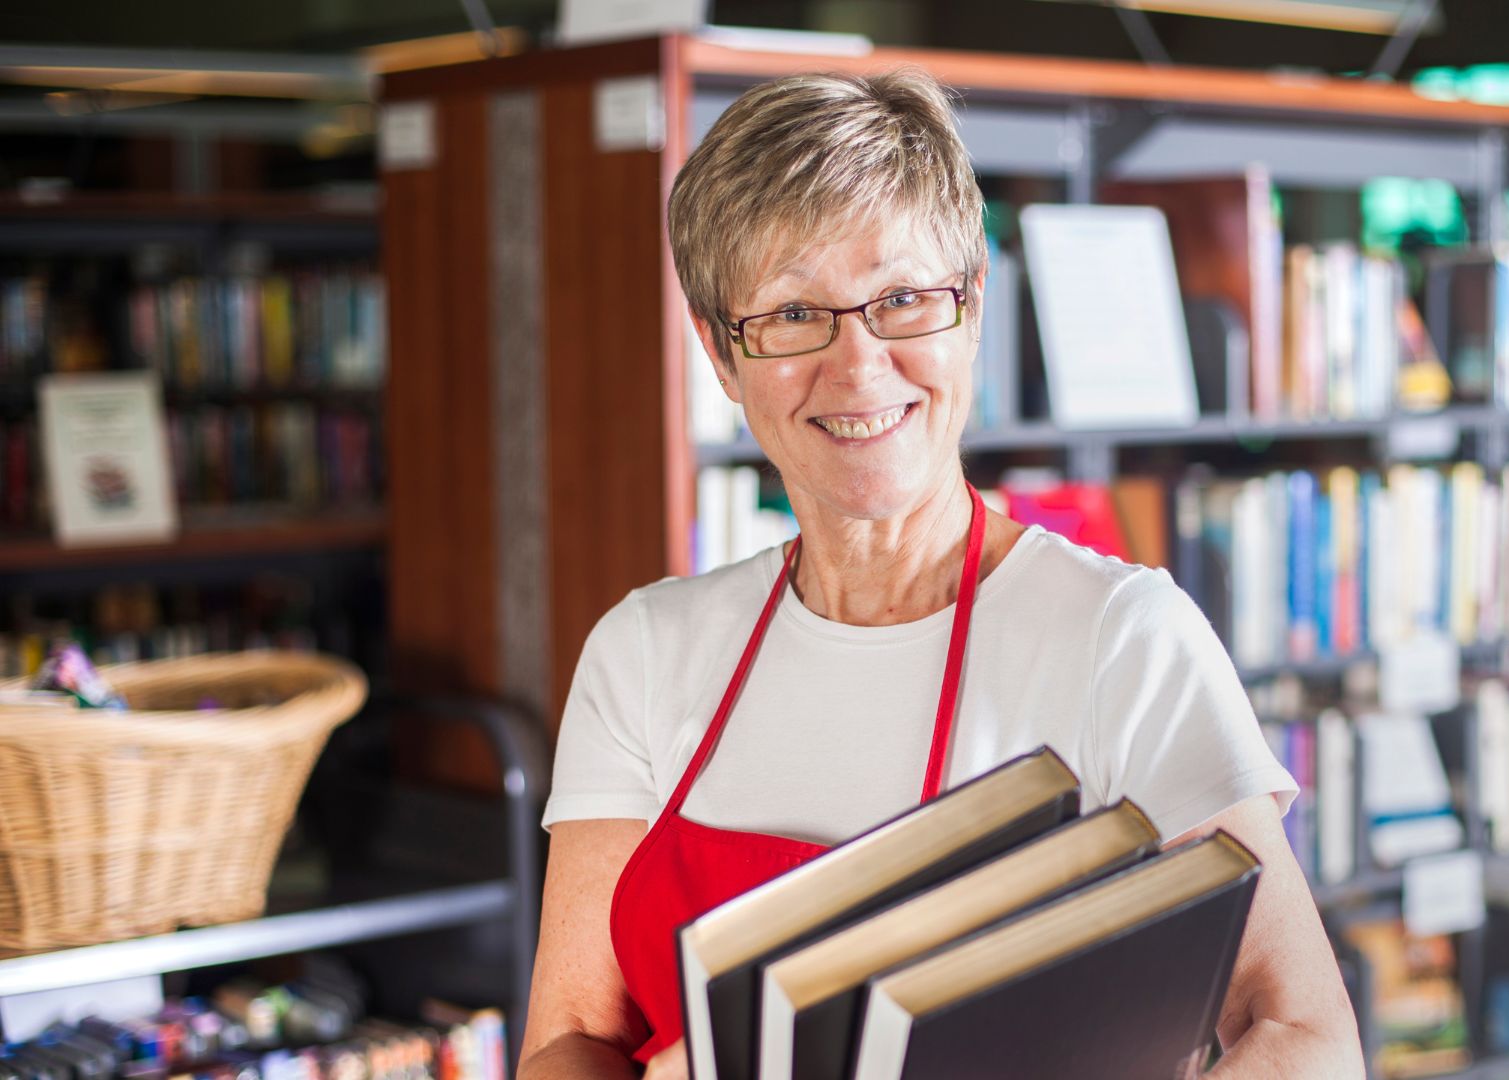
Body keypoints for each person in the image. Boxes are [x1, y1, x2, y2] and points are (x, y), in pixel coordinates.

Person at [518, 67, 1364, 1079]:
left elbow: (1303, 1038)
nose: (859, 364)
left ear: (970, 312)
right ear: (719, 352)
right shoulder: (644, 652)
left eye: (905, 299)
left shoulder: (1119, 639)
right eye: (793, 314)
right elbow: (573, 1037)